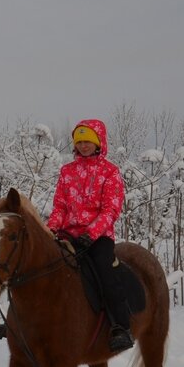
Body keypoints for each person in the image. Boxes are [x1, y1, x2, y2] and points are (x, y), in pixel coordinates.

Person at [46, 119, 133, 353]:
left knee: (105, 270)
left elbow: (111, 209)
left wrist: (91, 233)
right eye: (80, 141)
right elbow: (60, 207)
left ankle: (120, 327)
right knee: (42, 264)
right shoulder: (67, 171)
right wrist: (50, 229)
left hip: (98, 236)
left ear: (98, 143)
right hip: (68, 233)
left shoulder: (110, 172)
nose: (84, 145)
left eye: (88, 141)